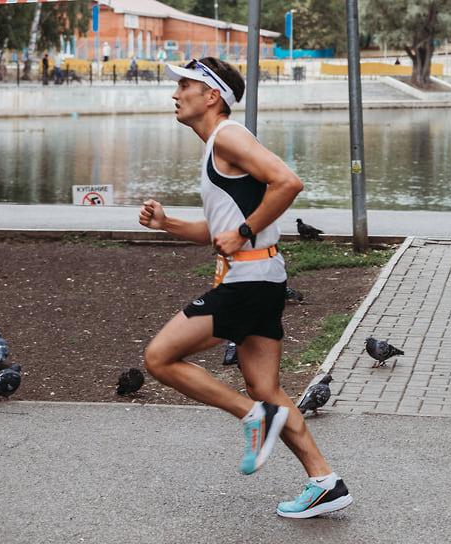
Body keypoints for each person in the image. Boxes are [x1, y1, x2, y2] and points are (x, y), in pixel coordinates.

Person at [137, 57, 353, 519]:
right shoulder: (219, 146)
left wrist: (247, 230)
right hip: (263, 277)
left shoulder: (229, 136)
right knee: (265, 387)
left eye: (184, 86)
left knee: (159, 358)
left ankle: (254, 418)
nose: (175, 94)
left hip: (249, 279)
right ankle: (325, 482)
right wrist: (166, 222)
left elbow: (288, 182)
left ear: (211, 96)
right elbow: (219, 230)